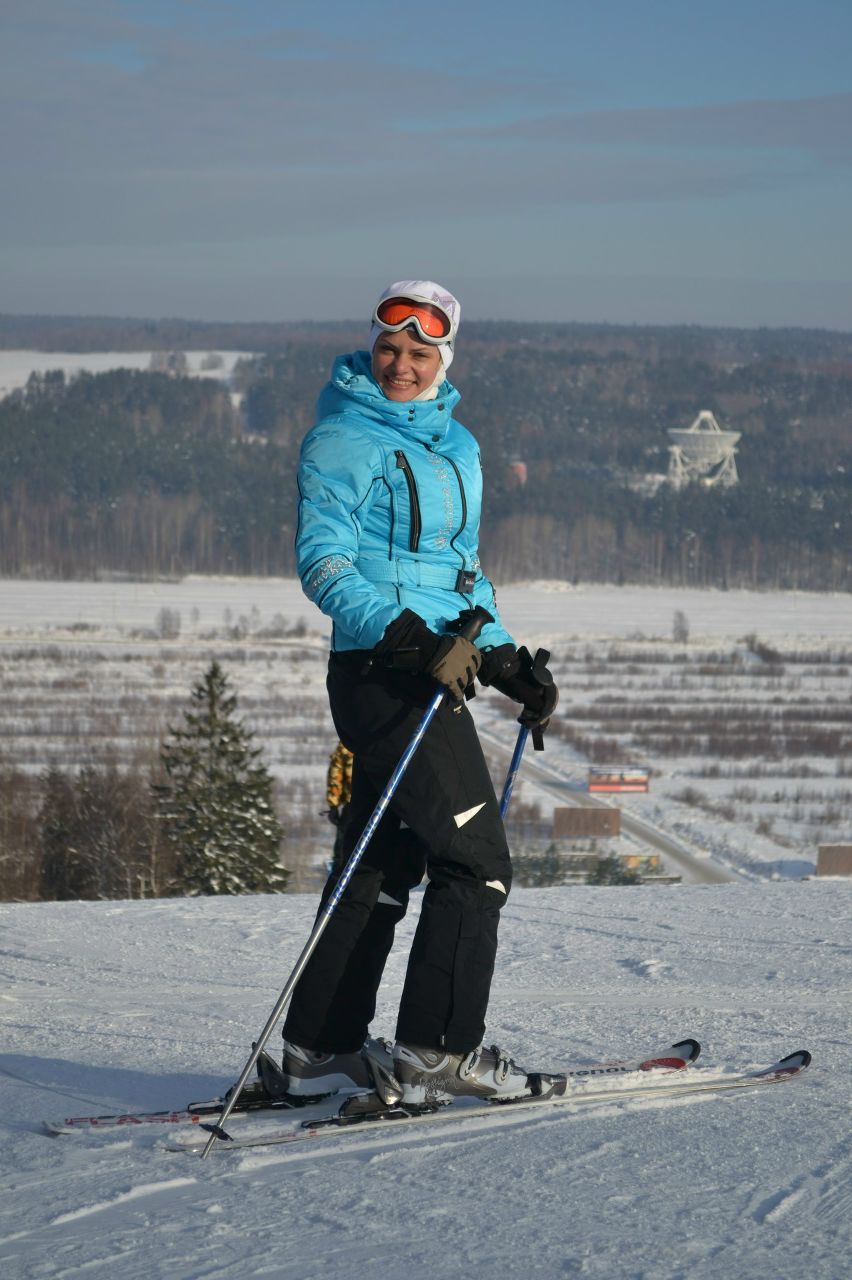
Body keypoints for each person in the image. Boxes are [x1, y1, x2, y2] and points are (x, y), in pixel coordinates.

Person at [281, 280, 558, 1107]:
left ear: (445, 359)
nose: (400, 363)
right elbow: (322, 564)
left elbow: (461, 573)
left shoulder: (458, 446)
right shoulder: (340, 438)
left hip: (436, 668)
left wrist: (510, 662)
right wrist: (406, 636)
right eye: (389, 347)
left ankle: (317, 1048)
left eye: (419, 351)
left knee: (380, 864)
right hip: (382, 674)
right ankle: (439, 1052)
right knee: (477, 865)